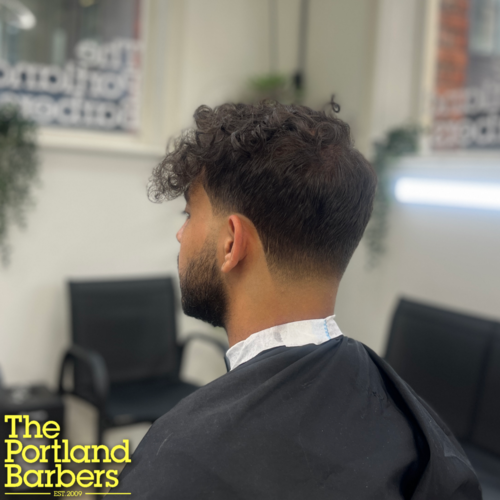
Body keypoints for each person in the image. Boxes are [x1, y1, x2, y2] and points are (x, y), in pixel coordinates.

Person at [111, 100, 481, 499]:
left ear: (231, 243)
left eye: (188, 215)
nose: (180, 235)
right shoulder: (421, 434)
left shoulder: (178, 460)